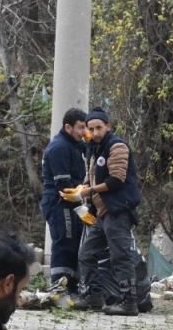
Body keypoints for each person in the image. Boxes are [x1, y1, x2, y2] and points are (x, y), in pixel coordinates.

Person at [64, 107, 144, 316]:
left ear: (108, 126)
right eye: (91, 128)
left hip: (118, 209)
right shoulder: (94, 148)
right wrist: (82, 189)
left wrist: (88, 191)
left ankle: (129, 301)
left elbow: (116, 179)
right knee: (86, 253)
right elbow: (91, 177)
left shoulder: (116, 146)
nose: (95, 132)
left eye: (99, 127)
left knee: (120, 255)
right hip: (102, 212)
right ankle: (93, 294)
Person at [41, 108, 89, 291]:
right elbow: (63, 185)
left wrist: (91, 138)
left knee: (76, 244)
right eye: (81, 128)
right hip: (59, 203)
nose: (84, 132)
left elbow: (91, 150)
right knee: (65, 243)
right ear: (68, 127)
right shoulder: (60, 147)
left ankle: (73, 288)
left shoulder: (75, 143)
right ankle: (58, 289)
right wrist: (80, 207)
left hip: (71, 204)